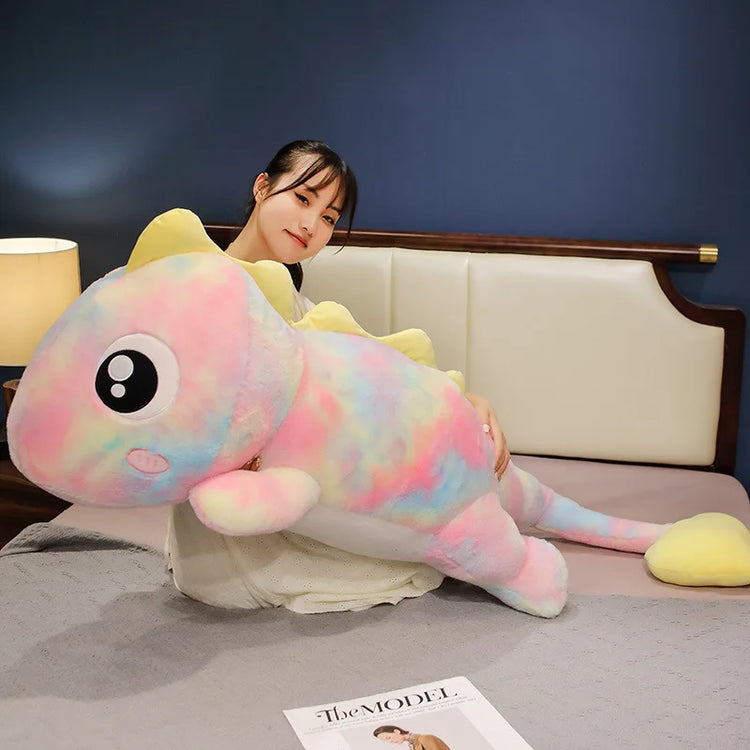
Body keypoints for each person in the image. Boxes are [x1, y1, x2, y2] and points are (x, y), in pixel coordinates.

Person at [165, 140, 509, 613]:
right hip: (232, 507)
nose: (311, 224)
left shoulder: (297, 305)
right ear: (263, 187)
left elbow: (377, 363)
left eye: (328, 217)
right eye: (303, 198)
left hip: (285, 486)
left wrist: (463, 399)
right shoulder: (205, 281)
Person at [373, 724, 452, 749]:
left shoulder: (425, 739)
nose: (390, 741)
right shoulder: (412, 745)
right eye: (386, 741)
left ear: (397, 731)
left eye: (388, 738)